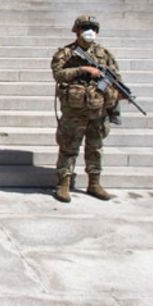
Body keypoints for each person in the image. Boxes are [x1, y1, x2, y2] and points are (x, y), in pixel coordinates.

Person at [51, 15, 122, 203]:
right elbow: (59, 74)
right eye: (85, 28)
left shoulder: (104, 54)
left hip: (98, 110)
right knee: (68, 147)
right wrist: (83, 70)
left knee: (95, 148)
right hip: (74, 110)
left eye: (92, 28)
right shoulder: (66, 53)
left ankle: (94, 183)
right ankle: (63, 184)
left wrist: (117, 95)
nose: (89, 32)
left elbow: (115, 76)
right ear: (76, 30)